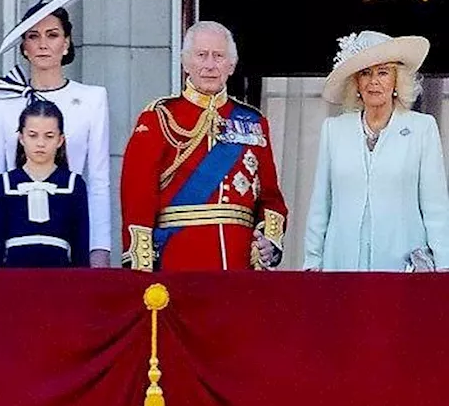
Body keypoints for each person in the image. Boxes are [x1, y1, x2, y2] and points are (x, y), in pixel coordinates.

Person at [120, 21, 288, 271]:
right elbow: (137, 197)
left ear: (231, 65)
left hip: (238, 262)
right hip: (178, 259)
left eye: (218, 56)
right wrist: (142, 268)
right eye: (201, 55)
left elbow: (271, 199)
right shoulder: (159, 117)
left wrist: (269, 242)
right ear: (186, 63)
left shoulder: (252, 121)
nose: (210, 65)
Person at [0, 0, 110, 267]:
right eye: (33, 36)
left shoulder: (92, 99)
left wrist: (100, 249)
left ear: (67, 42)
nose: (42, 44)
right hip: (15, 237)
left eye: (52, 35)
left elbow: (98, 180)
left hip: (68, 231)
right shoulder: (3, 99)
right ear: (23, 46)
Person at [303, 31, 450, 271]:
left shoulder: (422, 128)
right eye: (365, 73)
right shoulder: (335, 130)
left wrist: (444, 265)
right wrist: (312, 261)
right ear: (356, 83)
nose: (374, 81)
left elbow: (436, 207)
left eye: (383, 73)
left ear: (396, 81)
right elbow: (321, 204)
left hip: (402, 267)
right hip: (342, 265)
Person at [0, 99, 90, 268]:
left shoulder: (74, 184)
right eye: (33, 135)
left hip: (60, 279)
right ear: (21, 138)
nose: (40, 143)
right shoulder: (4, 183)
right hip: (14, 279)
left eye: (49, 136)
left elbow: (81, 248)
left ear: (60, 140)